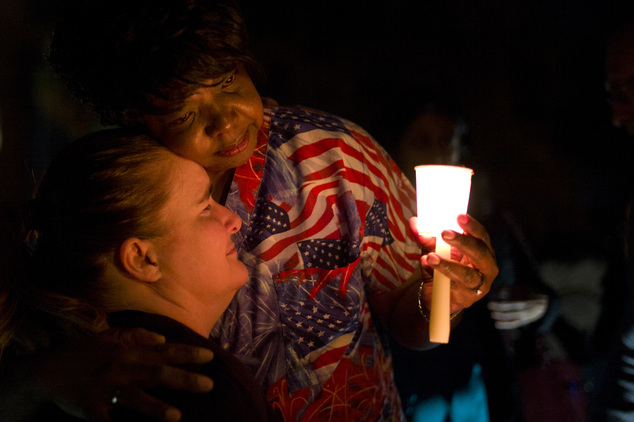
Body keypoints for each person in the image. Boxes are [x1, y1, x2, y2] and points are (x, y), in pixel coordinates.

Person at [0, 0, 499, 420]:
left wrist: (442, 296)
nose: (226, 122)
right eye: (185, 112)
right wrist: (42, 377)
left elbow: (412, 319)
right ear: (131, 114)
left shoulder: (335, 158)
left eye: (227, 83)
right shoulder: (110, 193)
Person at [0, 129, 279, 421]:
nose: (233, 220)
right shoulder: (194, 384)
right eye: (205, 208)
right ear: (142, 258)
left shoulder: (55, 377)